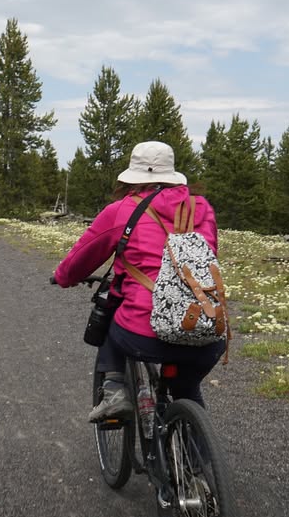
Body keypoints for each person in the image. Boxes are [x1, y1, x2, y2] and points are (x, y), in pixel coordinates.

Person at [53, 141, 227, 422]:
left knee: (109, 315)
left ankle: (114, 390)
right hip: (204, 329)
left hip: (144, 336)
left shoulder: (122, 210)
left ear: (132, 177)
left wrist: (62, 277)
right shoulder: (201, 207)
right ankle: (196, 443)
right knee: (185, 387)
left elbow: (82, 257)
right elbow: (208, 257)